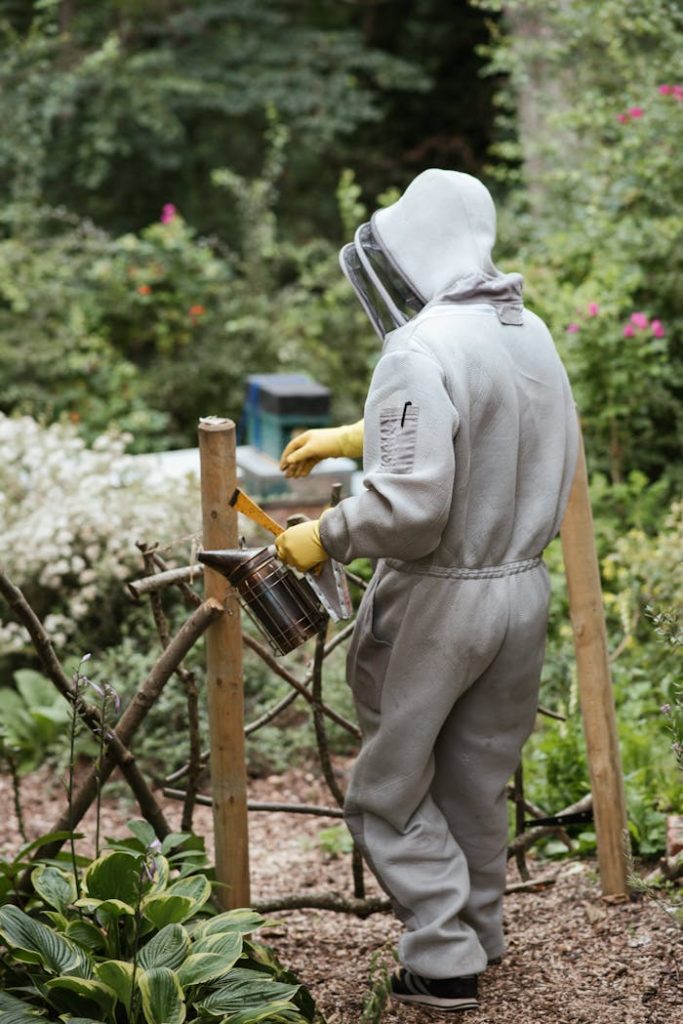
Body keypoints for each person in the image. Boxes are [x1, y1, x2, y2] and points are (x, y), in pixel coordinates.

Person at [275, 169, 578, 1013]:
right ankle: (478, 934)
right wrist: (357, 434)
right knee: (475, 780)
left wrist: (323, 533)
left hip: (441, 599)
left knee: (391, 785)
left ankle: (442, 960)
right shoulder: (530, 331)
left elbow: (410, 510)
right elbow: (499, 425)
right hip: (520, 590)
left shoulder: (418, 346)